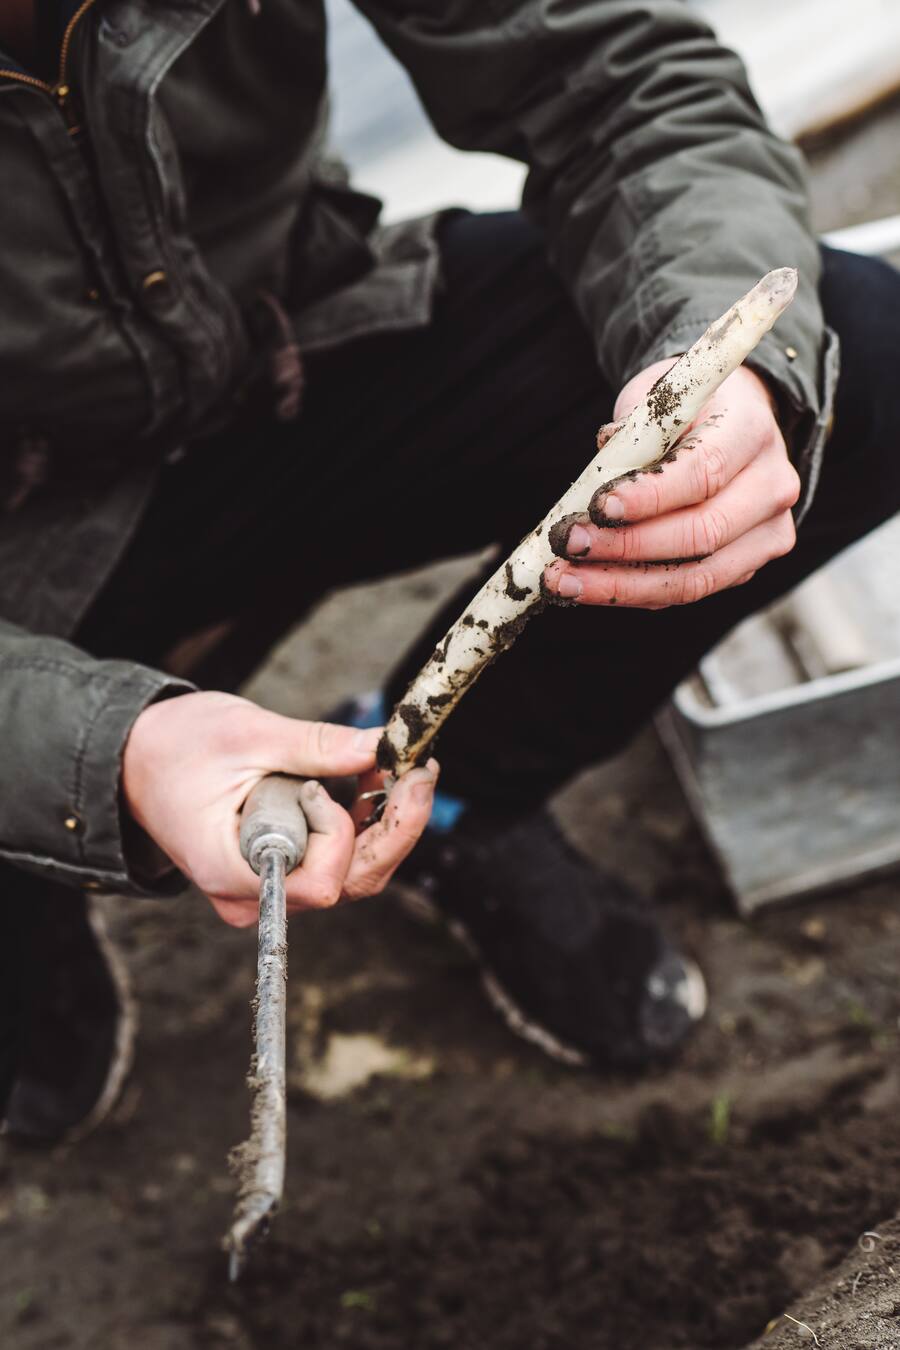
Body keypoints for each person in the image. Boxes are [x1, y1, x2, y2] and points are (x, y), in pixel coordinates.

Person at [1, 0, 898, 1142]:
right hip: (23, 535)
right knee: (37, 876)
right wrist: (103, 755)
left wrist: (717, 359)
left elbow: (609, 70)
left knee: (857, 365)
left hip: (283, 344)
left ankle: (458, 797)